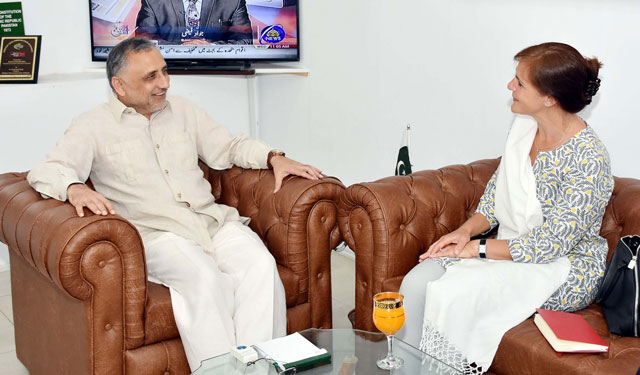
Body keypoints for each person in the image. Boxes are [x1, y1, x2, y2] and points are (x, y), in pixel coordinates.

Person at [26, 37, 323, 372]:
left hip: (212, 222)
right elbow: (48, 170)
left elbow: (227, 147)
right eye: (151, 77)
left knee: (260, 266)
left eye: (164, 72)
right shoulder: (91, 126)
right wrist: (74, 187)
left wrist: (273, 158)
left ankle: (260, 370)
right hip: (157, 236)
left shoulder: (184, 110)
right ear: (119, 85)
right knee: (203, 279)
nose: (164, 83)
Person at [397, 42, 613, 374]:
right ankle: (405, 369)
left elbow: (549, 245)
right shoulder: (523, 129)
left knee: (455, 293)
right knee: (414, 283)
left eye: (520, 82)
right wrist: (463, 232)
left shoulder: (588, 158)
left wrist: (475, 249)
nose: (510, 86)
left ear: (549, 98)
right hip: (509, 246)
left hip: (564, 268)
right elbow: (495, 198)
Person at [136, 0, 253, 45]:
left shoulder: (233, 2)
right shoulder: (153, 2)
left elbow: (245, 39)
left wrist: (211, 47)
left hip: (219, 68)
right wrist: (181, 48)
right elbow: (144, 40)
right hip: (169, 69)